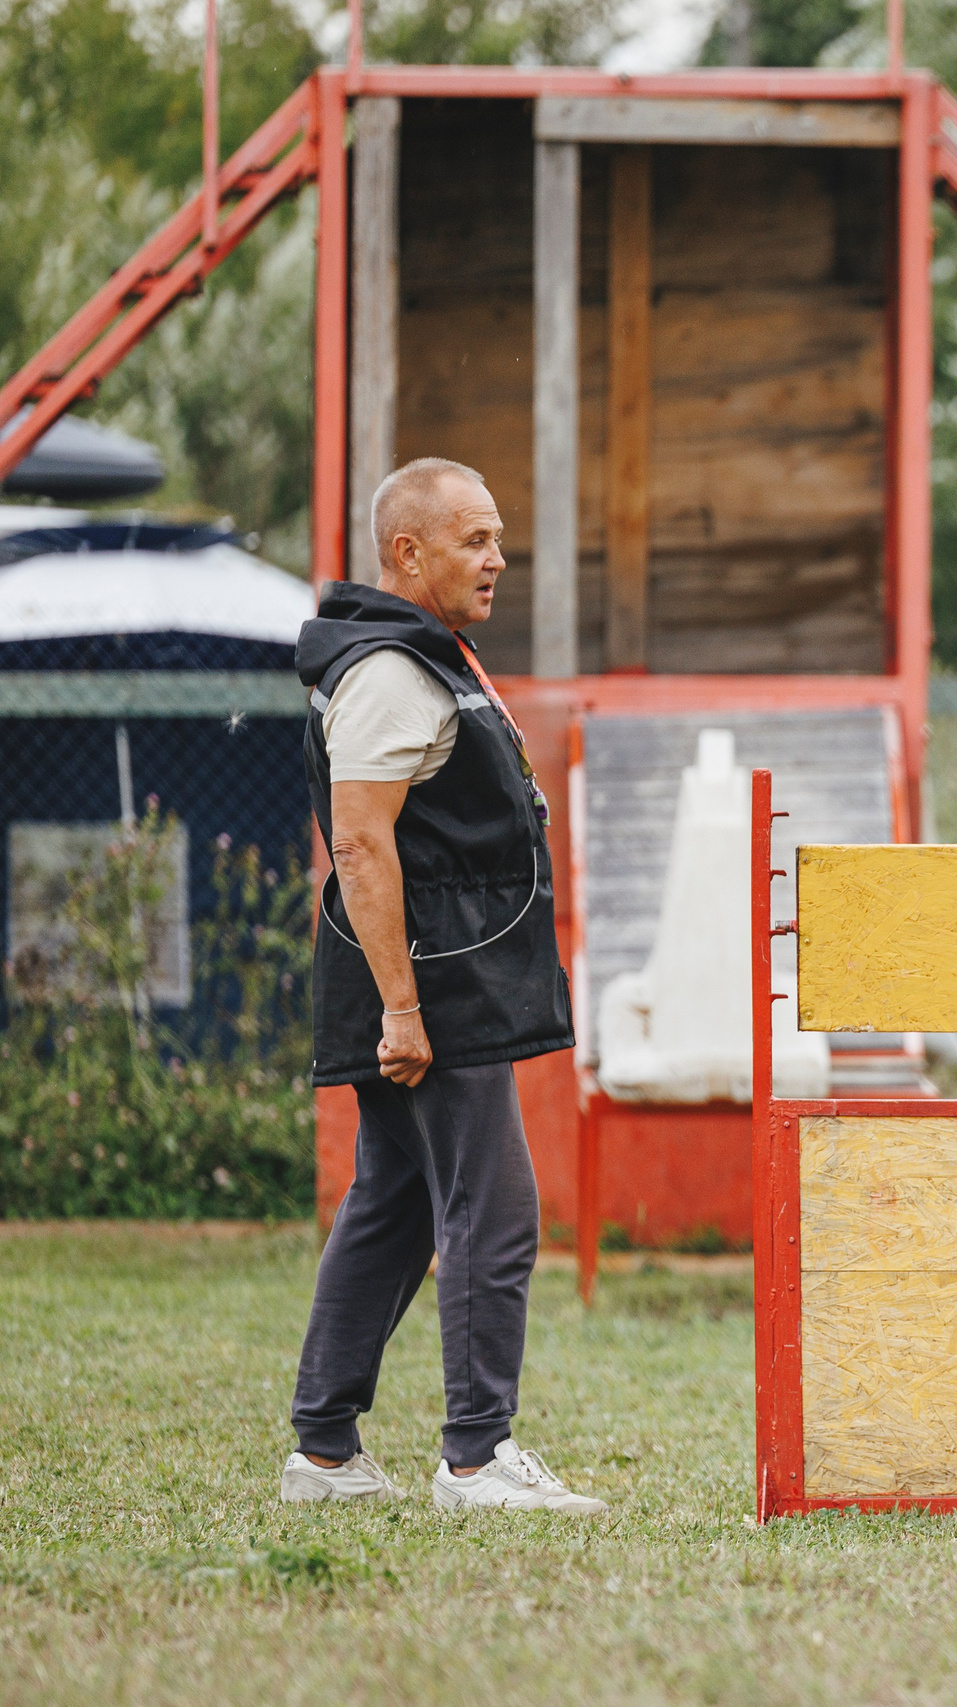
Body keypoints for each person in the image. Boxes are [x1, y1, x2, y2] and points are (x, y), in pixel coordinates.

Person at [278, 457, 603, 1516]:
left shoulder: (428, 656)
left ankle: (325, 1454)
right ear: (407, 552)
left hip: (436, 977)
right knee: (494, 1209)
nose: (497, 558)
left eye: (497, 538)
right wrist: (404, 1012)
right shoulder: (387, 671)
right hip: (425, 987)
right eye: (474, 539)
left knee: (397, 1201)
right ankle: (476, 1460)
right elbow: (360, 846)